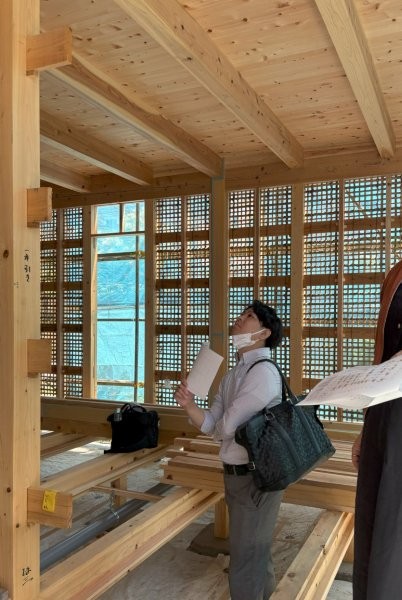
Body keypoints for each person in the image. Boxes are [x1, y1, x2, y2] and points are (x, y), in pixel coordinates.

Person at [174, 300, 284, 600]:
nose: (239, 319)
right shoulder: (235, 373)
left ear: (263, 334)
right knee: (254, 551)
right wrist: (189, 404)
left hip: (256, 476)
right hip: (238, 474)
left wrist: (219, 428)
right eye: (241, 314)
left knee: (246, 559)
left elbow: (228, 426)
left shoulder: (263, 372)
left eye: (249, 316)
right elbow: (212, 424)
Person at [352, 259, 402, 599]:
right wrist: (366, 424)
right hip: (385, 408)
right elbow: (382, 352)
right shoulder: (396, 273)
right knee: (371, 517)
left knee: (394, 526)